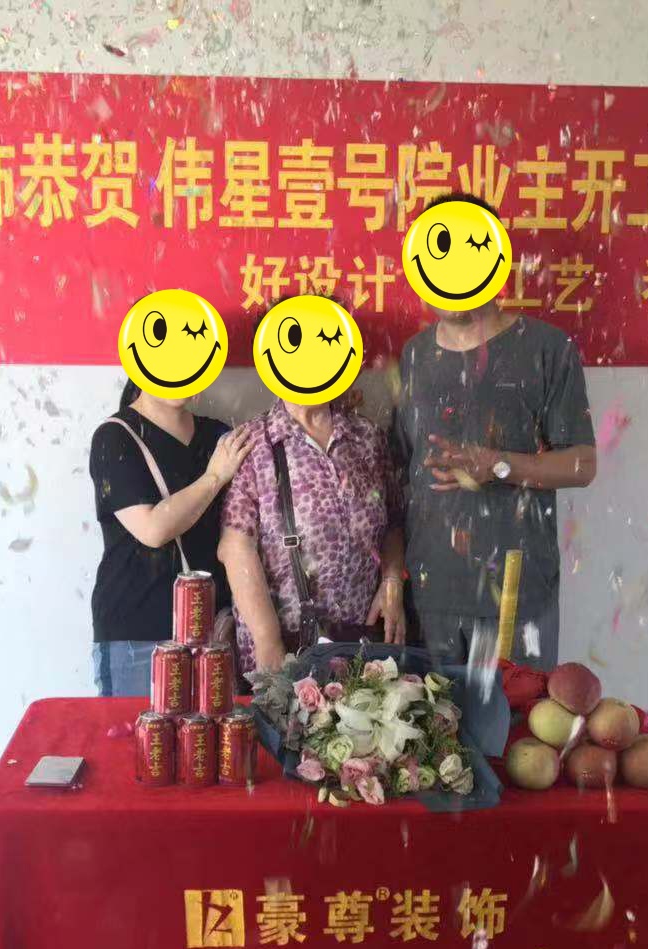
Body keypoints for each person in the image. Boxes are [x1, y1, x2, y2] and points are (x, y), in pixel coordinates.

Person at [392, 193, 597, 671]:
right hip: (430, 593)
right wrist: (391, 579)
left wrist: (498, 465)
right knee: (429, 719)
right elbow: (400, 475)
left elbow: (583, 465)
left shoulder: (546, 349)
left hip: (515, 594)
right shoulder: (415, 356)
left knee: (513, 719)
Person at [218, 395, 406, 676]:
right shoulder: (253, 442)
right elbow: (235, 548)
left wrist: (392, 583)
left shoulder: (368, 437)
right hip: (285, 652)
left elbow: (393, 522)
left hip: (362, 648)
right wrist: (268, 640)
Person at [89, 380, 251, 696]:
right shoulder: (115, 437)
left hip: (213, 634)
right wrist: (214, 477)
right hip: (138, 637)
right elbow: (153, 529)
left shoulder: (219, 437)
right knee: (135, 729)